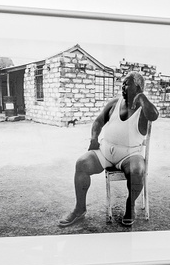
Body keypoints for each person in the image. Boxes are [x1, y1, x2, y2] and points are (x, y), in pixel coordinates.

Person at [58, 71, 159, 228]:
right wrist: (93, 139)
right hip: (105, 151)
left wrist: (141, 97)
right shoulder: (114, 103)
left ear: (138, 87)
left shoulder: (144, 108)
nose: (123, 86)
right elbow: (98, 122)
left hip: (130, 154)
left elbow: (154, 115)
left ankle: (130, 206)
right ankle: (79, 209)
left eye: (127, 83)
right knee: (81, 164)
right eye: (123, 83)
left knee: (138, 170)